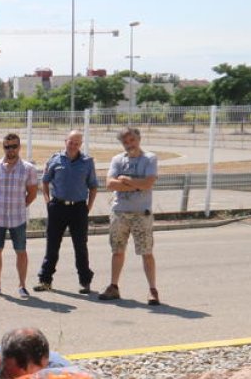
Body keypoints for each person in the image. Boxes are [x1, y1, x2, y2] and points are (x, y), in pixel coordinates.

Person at [100, 127, 160, 305]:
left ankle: (152, 290)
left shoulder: (149, 158)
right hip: (120, 212)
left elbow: (149, 182)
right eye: (125, 142)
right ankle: (113, 286)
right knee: (117, 251)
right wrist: (136, 185)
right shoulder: (117, 159)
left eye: (132, 140)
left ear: (138, 139)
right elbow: (110, 184)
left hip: (141, 213)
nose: (129, 144)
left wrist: (126, 180)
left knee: (146, 252)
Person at [35, 130, 97, 295]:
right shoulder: (55, 159)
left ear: (80, 145)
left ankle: (85, 281)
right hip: (58, 207)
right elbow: (45, 181)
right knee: (52, 246)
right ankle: (45, 280)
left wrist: (88, 207)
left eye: (77, 143)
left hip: (78, 209)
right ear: (65, 141)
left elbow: (93, 186)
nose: (73, 145)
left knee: (80, 246)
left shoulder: (87, 162)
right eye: (71, 142)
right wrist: (48, 202)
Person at [0, 133, 38, 298]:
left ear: (19, 147)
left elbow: (32, 193)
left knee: (21, 251)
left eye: (14, 146)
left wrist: (21, 205)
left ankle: (22, 286)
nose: (11, 150)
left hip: (18, 218)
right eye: (7, 147)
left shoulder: (28, 168)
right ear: (3, 148)